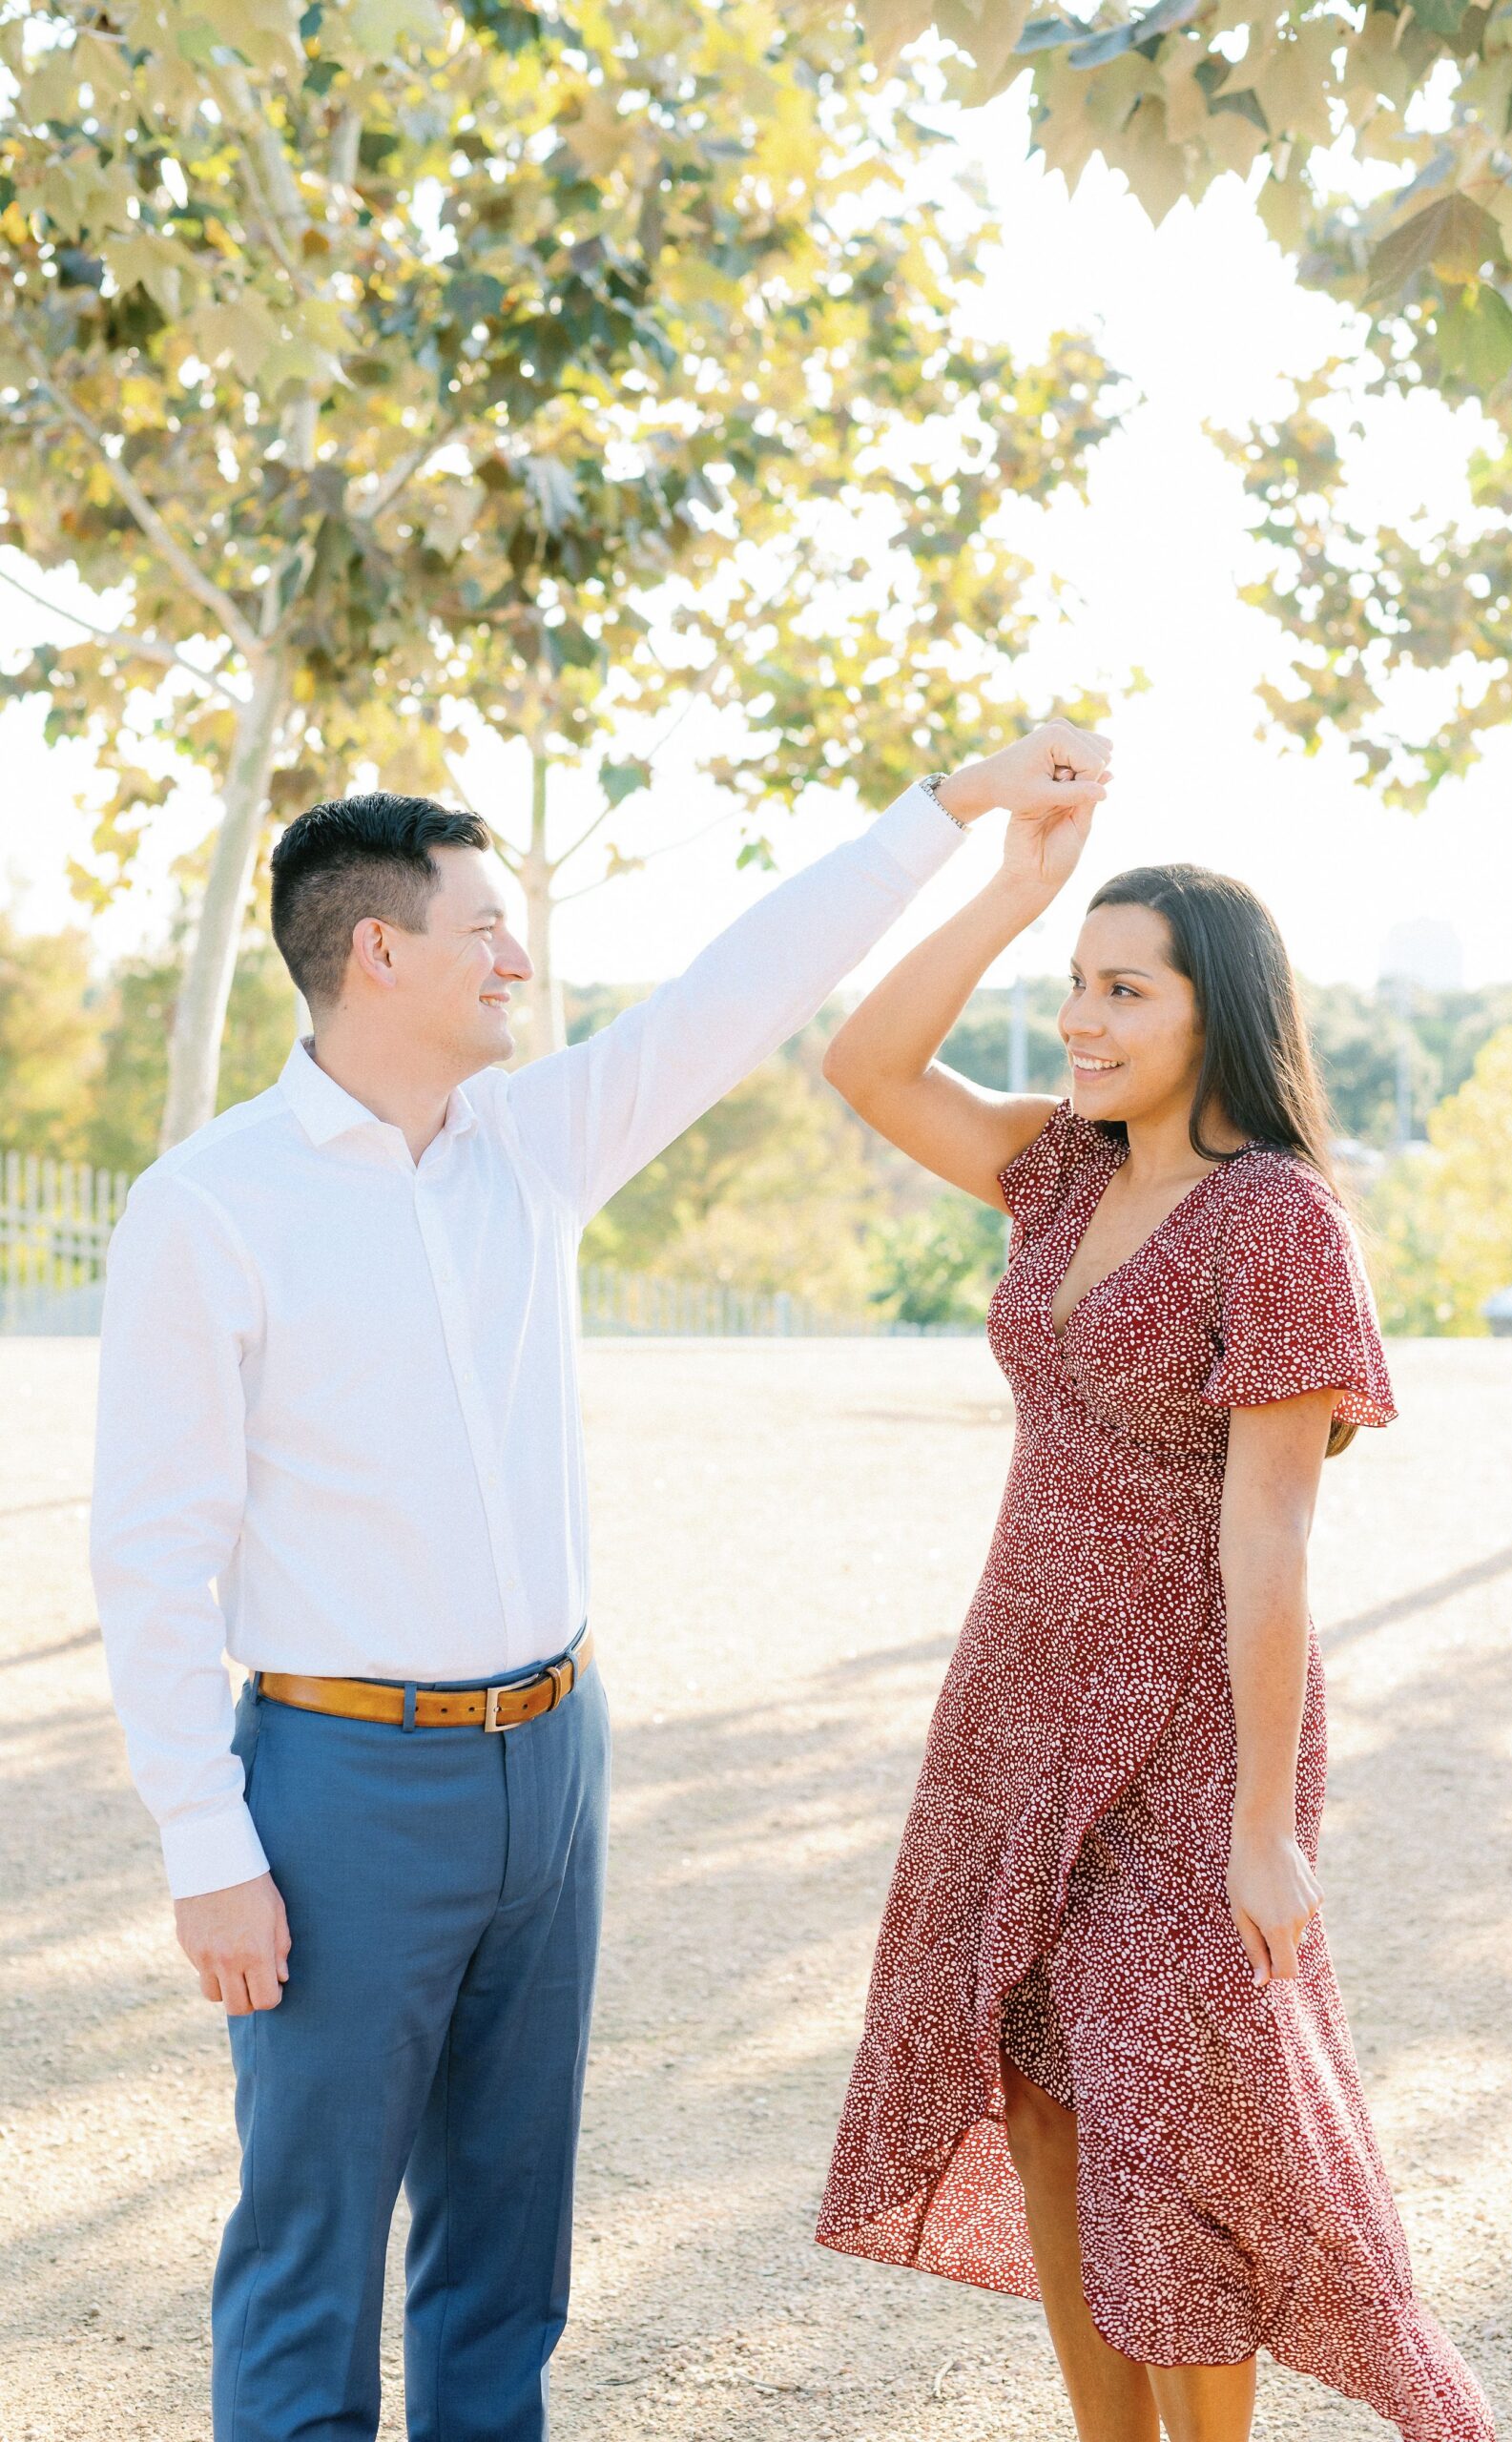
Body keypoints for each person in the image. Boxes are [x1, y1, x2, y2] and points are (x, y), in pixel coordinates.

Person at [87, 723, 1108, 2442]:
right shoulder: (212, 1208)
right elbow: (150, 1549)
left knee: (506, 2254)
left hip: (553, 1756)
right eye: (484, 924)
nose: (517, 955)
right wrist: (209, 1847)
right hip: (339, 1783)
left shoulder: (534, 1145)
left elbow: (746, 980)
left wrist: (955, 814)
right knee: (308, 2250)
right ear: (376, 950)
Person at [813, 781, 1497, 2442]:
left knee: (1173, 2121)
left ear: (1221, 1013)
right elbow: (865, 1066)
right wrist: (1008, 886)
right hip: (1015, 1700)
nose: (1084, 1017)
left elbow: (1272, 1534)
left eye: (1129, 988)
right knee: (1042, 2100)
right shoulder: (1059, 1173)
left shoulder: (1277, 1223)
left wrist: (1269, 1823)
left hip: (1188, 1726)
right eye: (1078, 981)